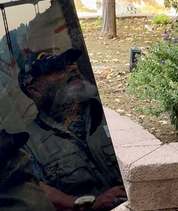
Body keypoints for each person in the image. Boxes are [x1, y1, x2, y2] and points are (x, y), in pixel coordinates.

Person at [19, 48, 127, 211]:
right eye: (57, 69)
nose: (73, 68)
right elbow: (36, 191)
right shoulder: (31, 144)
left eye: (70, 63)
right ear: (35, 90)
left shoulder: (110, 112)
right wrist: (90, 203)